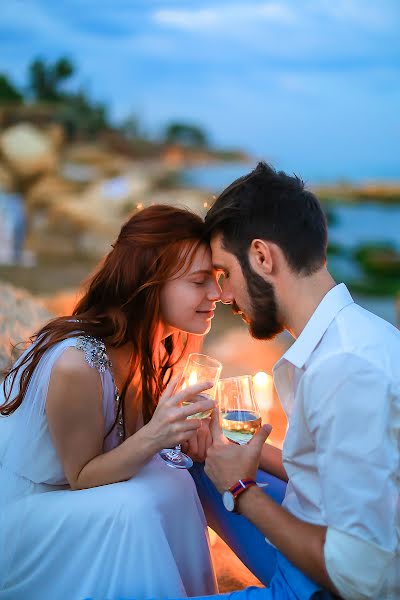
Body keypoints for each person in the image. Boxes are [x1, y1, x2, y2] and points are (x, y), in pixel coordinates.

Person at [185, 162, 399, 600]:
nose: (222, 296)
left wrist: (242, 490)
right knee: (191, 460)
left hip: (318, 587)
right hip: (308, 532)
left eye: (225, 273)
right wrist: (253, 457)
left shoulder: (346, 369)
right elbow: (325, 472)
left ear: (263, 257)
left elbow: (362, 577)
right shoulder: (355, 335)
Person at [0, 205, 221, 599]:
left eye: (217, 279)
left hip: (73, 498)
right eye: (200, 281)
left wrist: (187, 433)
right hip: (28, 517)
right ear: (149, 282)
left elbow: (132, 443)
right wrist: (158, 435)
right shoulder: (78, 363)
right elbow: (81, 477)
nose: (217, 295)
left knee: (177, 483)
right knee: (133, 507)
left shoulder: (157, 346)